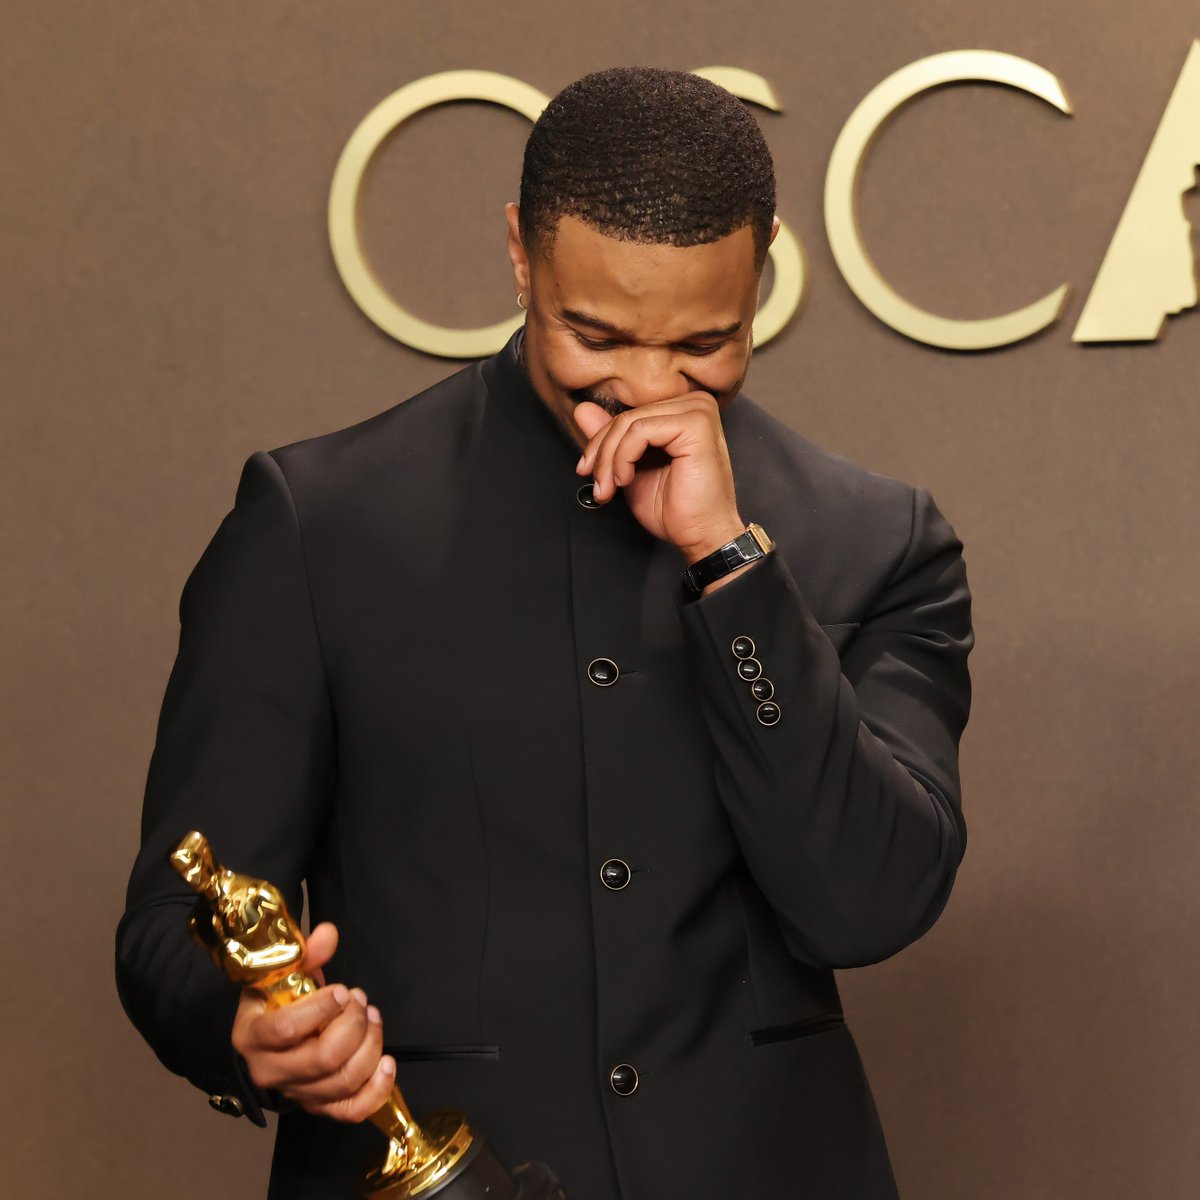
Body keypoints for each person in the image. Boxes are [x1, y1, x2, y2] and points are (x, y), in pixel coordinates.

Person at [116, 66, 974, 1199]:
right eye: (595, 332)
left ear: (761, 276)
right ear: (522, 252)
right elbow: (176, 916)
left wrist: (733, 567)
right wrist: (246, 1026)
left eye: (705, 343)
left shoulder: (879, 538)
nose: (647, 386)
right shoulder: (316, 526)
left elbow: (867, 902)